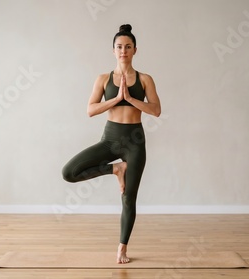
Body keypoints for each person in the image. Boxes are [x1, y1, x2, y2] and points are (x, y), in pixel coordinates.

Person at [62, 24, 161, 264]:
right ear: (113, 50)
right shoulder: (103, 79)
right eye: (119, 47)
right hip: (110, 140)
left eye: (128, 47)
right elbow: (90, 110)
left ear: (135, 50)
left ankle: (122, 248)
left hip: (135, 142)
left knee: (128, 198)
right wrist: (117, 98)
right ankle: (115, 169)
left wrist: (130, 98)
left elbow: (156, 111)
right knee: (69, 172)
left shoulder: (145, 79)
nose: (123, 51)